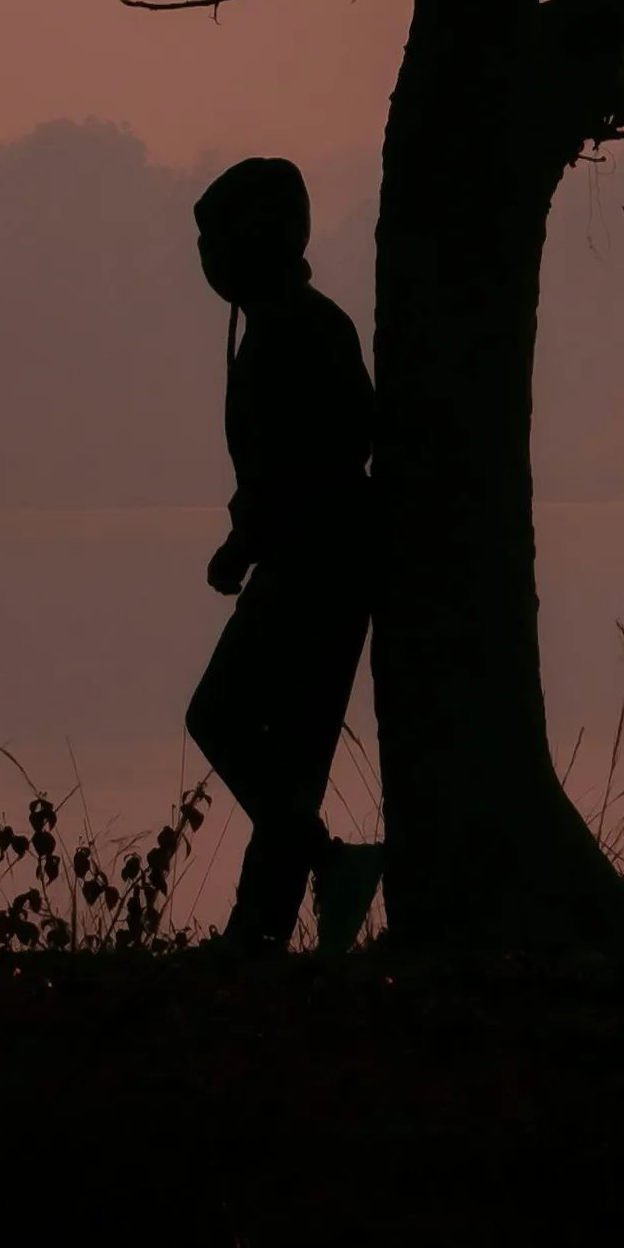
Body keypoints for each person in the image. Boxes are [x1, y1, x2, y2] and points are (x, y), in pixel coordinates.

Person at [183, 154, 383, 957]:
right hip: (325, 562)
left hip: (312, 567)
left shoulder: (292, 331)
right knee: (292, 760)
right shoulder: (287, 323)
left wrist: (246, 543)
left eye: (213, 239)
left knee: (219, 716)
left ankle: (330, 864)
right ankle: (257, 932)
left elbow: (307, 463)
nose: (204, 258)